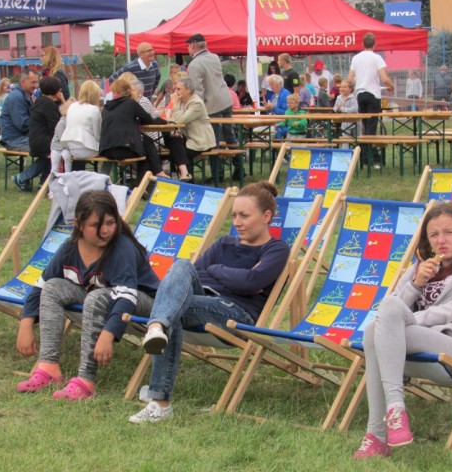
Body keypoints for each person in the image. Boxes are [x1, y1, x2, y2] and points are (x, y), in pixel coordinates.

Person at [129, 181, 290, 423]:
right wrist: (236, 278)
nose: (237, 223)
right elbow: (199, 273)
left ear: (266, 216)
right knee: (183, 265)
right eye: (234, 215)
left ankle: (160, 398)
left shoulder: (276, 249)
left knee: (172, 305)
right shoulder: (223, 243)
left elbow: (251, 281)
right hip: (201, 301)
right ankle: (157, 329)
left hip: (237, 314)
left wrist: (217, 269)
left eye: (245, 216)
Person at [354, 201, 452, 459]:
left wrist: (406, 320)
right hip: (407, 349)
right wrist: (417, 283)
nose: (442, 240)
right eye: (434, 235)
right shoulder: (420, 268)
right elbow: (391, 309)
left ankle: (382, 428)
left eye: (449, 232)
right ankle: (384, 426)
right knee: (374, 329)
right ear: (428, 241)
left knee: (379, 329)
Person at [16, 190, 160, 400]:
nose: (105, 231)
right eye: (96, 225)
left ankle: (86, 380)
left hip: (145, 303)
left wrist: (108, 334)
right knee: (53, 287)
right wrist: (25, 325)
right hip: (105, 300)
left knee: (96, 296)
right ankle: (48, 367)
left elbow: (127, 298)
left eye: (110, 223)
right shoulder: (69, 248)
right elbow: (40, 286)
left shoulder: (121, 248)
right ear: (79, 224)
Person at [186, 33, 240, 180]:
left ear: (193, 46)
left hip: (211, 105)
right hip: (225, 99)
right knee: (230, 135)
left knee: (213, 140)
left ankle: (218, 174)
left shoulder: (194, 64)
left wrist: (197, 110)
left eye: (188, 46)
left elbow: (198, 90)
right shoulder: (214, 57)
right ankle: (239, 168)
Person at [348, 32, 395, 169]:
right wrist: (392, 86)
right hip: (373, 94)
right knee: (371, 128)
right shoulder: (377, 58)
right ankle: (370, 158)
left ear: (363, 44)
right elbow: (385, 78)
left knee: (364, 126)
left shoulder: (356, 58)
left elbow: (350, 78)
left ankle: (364, 156)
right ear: (375, 44)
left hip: (360, 94)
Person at [168, 77, 216, 168]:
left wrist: (174, 104)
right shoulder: (180, 101)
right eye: (175, 89)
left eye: (178, 89)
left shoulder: (196, 103)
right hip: (188, 138)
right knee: (173, 142)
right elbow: (172, 120)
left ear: (188, 90)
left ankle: (188, 180)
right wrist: (177, 131)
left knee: (180, 155)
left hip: (200, 141)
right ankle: (184, 177)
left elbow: (180, 120)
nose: (176, 92)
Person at [26, 76, 64, 185]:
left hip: (36, 140)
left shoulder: (41, 101)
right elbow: (56, 127)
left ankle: (42, 182)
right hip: (42, 142)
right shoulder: (48, 104)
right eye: (59, 89)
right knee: (60, 150)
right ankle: (37, 180)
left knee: (54, 152)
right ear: (55, 90)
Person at [60, 80, 102, 172]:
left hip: (71, 145)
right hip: (87, 148)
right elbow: (97, 135)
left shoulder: (72, 106)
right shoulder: (94, 110)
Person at [0, 68, 38, 158]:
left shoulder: (24, 95)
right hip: (14, 140)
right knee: (48, 148)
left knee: (52, 148)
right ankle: (26, 173)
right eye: (33, 82)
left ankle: (36, 173)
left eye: (36, 82)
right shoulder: (16, 97)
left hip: (20, 138)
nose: (35, 85)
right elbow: (23, 125)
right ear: (22, 81)